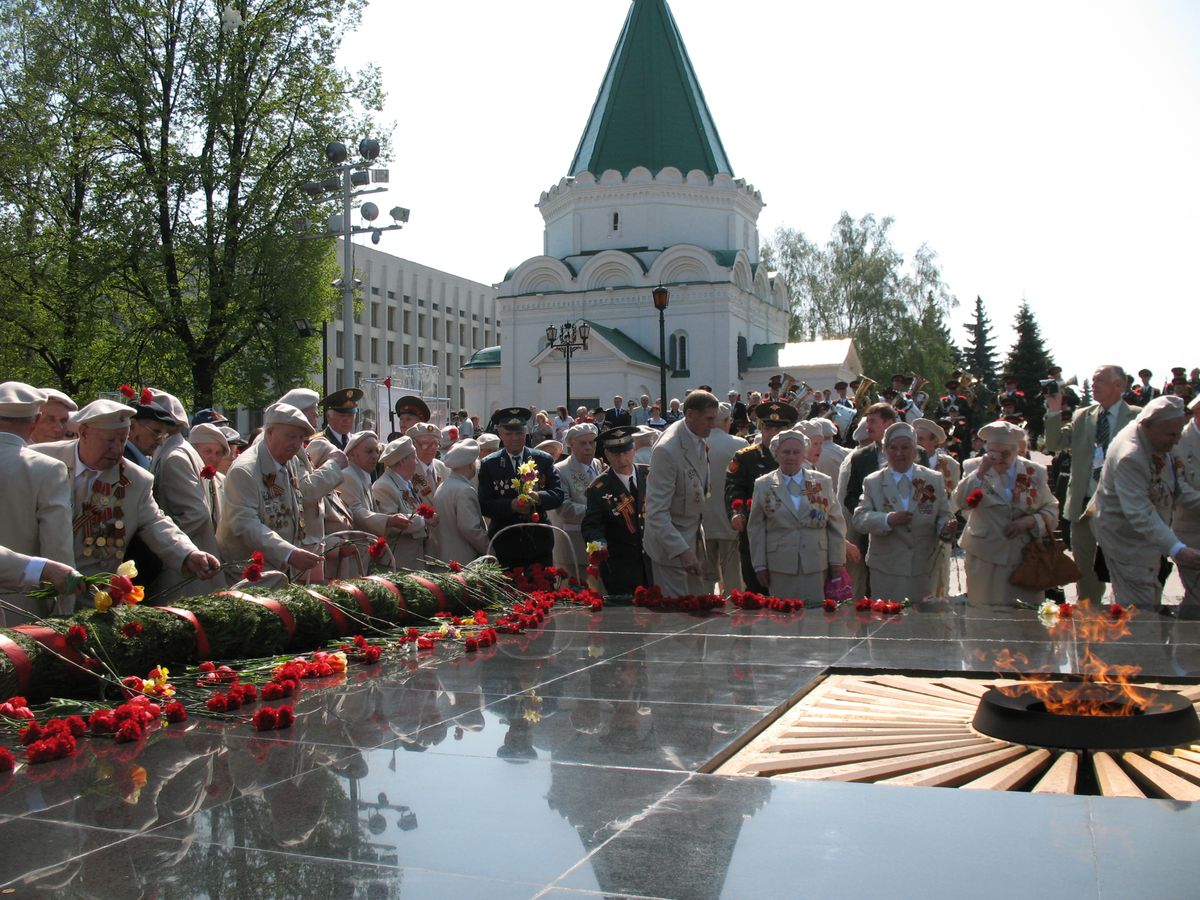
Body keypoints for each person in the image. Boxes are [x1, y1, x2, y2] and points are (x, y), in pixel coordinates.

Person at [39, 399, 221, 596]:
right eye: (109, 441)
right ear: (83, 432)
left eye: (122, 441)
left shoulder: (136, 480)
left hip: (95, 597)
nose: (118, 450)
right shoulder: (41, 460)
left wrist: (187, 554)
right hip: (38, 591)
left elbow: (155, 523)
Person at [1092, 396, 1200, 609]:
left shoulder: (1159, 440)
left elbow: (1178, 488)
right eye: (1171, 434)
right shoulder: (1131, 455)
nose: (1177, 440)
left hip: (1149, 539)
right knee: (1138, 608)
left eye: (1179, 432)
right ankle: (1141, 641)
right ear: (1148, 425)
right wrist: (1178, 549)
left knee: (1148, 599)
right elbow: (1140, 514)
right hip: (1127, 541)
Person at [1043, 364, 1140, 603]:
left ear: (1119, 385)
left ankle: (1127, 620)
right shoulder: (1082, 416)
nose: (1094, 385)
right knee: (1085, 570)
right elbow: (1054, 443)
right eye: (1093, 380)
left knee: (1123, 567)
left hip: (1120, 506)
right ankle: (1089, 621)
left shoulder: (1137, 416)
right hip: (1083, 505)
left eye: (1100, 380)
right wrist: (1054, 410)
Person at [953, 420, 1059, 607]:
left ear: (1016, 450)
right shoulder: (974, 467)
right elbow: (959, 502)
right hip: (985, 555)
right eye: (992, 452)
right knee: (984, 616)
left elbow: (1051, 509)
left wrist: (1030, 521)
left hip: (1024, 558)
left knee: (1026, 618)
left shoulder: (1034, 472)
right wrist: (979, 473)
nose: (998, 458)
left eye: (1005, 453)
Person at [217, 403, 325, 579]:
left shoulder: (290, 461)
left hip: (280, 570)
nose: (297, 444)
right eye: (291, 437)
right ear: (269, 433)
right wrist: (289, 553)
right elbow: (245, 525)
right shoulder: (245, 471)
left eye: (300, 438)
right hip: (248, 575)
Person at [853, 422, 956, 602]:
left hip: (924, 568)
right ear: (885, 450)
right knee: (886, 623)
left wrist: (945, 527)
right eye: (893, 448)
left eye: (905, 447)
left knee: (923, 625)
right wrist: (887, 519)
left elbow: (943, 513)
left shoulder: (933, 479)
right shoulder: (874, 482)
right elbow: (860, 519)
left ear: (915, 450)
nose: (899, 453)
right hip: (887, 569)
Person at [0, 382, 74, 621]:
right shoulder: (47, 469)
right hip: (22, 607)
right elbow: (57, 545)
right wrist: (63, 607)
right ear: (35, 421)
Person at [747, 428, 847, 602]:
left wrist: (836, 560)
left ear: (804, 454)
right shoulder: (764, 485)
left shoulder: (822, 482)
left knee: (816, 619)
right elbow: (756, 528)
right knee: (784, 618)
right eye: (785, 452)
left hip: (816, 563)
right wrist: (759, 565)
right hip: (780, 565)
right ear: (776, 454)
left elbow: (836, 524)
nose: (791, 457)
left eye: (796, 452)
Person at [148, 388, 225, 600]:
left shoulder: (174, 457)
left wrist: (164, 545)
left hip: (183, 576)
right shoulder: (180, 450)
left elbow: (196, 513)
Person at [644, 390, 719, 597]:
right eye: (709, 419)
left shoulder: (697, 436)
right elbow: (656, 512)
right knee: (676, 617)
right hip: (671, 550)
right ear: (691, 414)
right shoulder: (667, 450)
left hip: (692, 541)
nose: (713, 425)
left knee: (696, 612)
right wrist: (682, 550)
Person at [726, 401, 799, 593]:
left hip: (788, 534)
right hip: (756, 533)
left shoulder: (797, 458)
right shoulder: (745, 457)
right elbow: (735, 489)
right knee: (757, 592)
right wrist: (737, 513)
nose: (773, 433)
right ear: (761, 428)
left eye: (779, 428)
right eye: (768, 427)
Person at [477, 408, 564, 569]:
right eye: (509, 434)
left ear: (526, 432)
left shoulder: (542, 460)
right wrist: (511, 505)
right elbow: (484, 504)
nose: (515, 438)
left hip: (539, 541)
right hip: (505, 542)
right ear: (500, 435)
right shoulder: (490, 464)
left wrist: (537, 497)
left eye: (519, 433)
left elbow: (558, 495)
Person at [837, 402, 907, 598]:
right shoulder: (860, 458)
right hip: (873, 536)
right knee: (874, 589)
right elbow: (850, 496)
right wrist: (866, 514)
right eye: (867, 421)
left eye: (873, 421)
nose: (868, 426)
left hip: (909, 536)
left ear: (889, 423)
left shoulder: (915, 453)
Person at [583, 426, 651, 595]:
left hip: (655, 562)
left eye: (626, 452)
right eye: (616, 454)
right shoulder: (598, 488)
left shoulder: (650, 475)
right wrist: (598, 544)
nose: (622, 459)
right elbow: (591, 525)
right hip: (621, 567)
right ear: (606, 454)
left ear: (634, 449)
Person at [701, 403, 747, 593]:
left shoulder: (697, 442)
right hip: (730, 519)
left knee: (705, 578)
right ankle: (736, 615)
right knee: (733, 577)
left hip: (703, 521)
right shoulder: (739, 445)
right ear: (727, 421)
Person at [372, 436, 436, 571]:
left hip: (411, 560)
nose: (417, 462)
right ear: (402, 462)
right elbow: (390, 523)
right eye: (413, 458)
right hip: (397, 563)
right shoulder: (384, 486)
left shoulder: (405, 482)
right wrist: (424, 521)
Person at [913, 417, 961, 596]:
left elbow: (955, 495)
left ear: (934, 441)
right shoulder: (910, 461)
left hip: (941, 526)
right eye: (915, 439)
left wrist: (943, 516)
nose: (917, 444)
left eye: (922, 439)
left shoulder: (950, 465)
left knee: (940, 573)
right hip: (916, 525)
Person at [550, 422, 600, 581]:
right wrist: (598, 513)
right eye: (583, 443)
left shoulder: (598, 464)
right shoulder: (560, 470)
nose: (588, 447)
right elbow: (564, 507)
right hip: (573, 548)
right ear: (571, 445)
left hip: (597, 547)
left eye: (592, 442)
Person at [433, 439, 490, 566]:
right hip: (463, 562)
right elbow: (470, 528)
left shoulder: (443, 486)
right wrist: (490, 549)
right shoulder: (465, 490)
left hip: (443, 558)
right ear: (471, 465)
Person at [1177, 396, 1200, 614]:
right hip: (1191, 533)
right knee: (1196, 596)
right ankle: (1186, 646)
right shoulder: (1179, 441)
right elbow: (1179, 487)